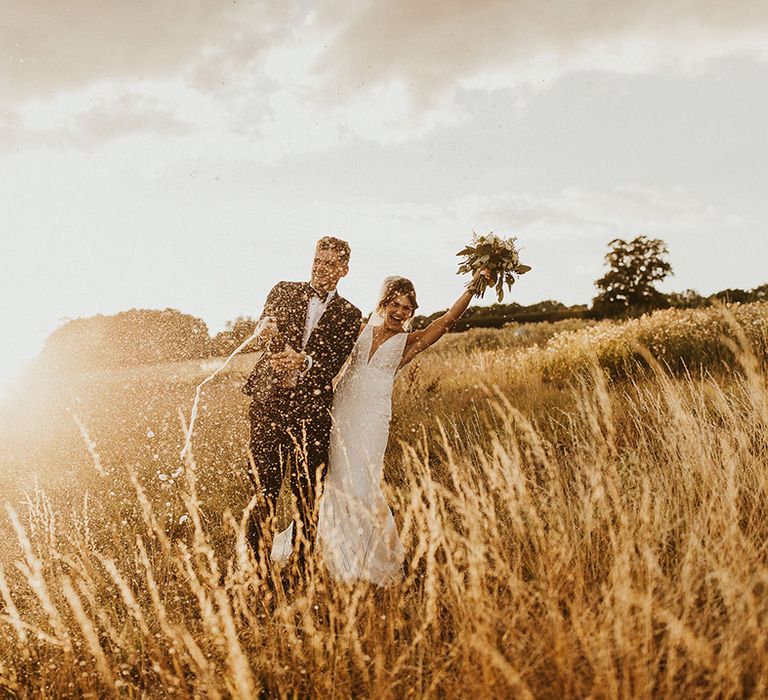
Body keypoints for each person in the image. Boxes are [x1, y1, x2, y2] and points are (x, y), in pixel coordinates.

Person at [271, 269, 490, 585]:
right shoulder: (360, 330)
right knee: (333, 476)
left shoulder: (408, 342)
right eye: (395, 304)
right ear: (383, 303)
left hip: (373, 416)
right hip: (342, 408)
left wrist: (474, 286)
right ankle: (323, 545)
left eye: (406, 307)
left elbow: (445, 321)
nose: (399, 312)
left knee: (363, 480)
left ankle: (368, 557)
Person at [242, 237, 362, 572]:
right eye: (317, 260)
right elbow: (263, 323)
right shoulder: (283, 290)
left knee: (306, 495)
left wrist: (302, 361)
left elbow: (331, 365)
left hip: (311, 414)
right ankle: (255, 569)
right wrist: (264, 329)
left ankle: (302, 568)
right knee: (262, 491)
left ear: (344, 270)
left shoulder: (350, 314)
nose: (320, 268)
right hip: (268, 405)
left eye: (329, 263)